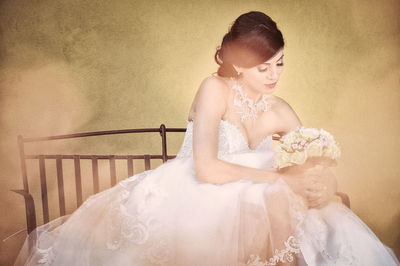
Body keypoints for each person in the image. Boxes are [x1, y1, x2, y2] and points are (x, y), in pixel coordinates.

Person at [14, 11, 399, 266]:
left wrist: (321, 181)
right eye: (262, 66)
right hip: (198, 191)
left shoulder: (280, 109)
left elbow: (308, 162)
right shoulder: (214, 89)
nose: (273, 75)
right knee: (273, 196)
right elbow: (207, 168)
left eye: (279, 63)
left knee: (313, 215)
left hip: (263, 202)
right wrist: (283, 179)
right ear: (236, 63)